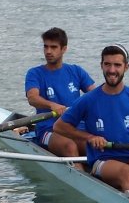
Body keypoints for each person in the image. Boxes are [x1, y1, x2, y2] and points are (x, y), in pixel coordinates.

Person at [55, 44, 129, 193]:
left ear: (126, 67)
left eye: (117, 65)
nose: (112, 70)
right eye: (107, 64)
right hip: (102, 159)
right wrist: (89, 137)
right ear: (101, 66)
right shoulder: (89, 99)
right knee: (126, 172)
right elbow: (59, 127)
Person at [25, 27, 96, 157]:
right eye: (45, 47)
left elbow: (96, 96)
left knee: (93, 146)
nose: (48, 51)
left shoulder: (76, 71)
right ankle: (78, 174)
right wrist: (52, 105)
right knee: (69, 147)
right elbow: (32, 98)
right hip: (47, 129)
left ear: (64, 49)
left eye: (53, 47)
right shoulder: (35, 73)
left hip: (74, 128)